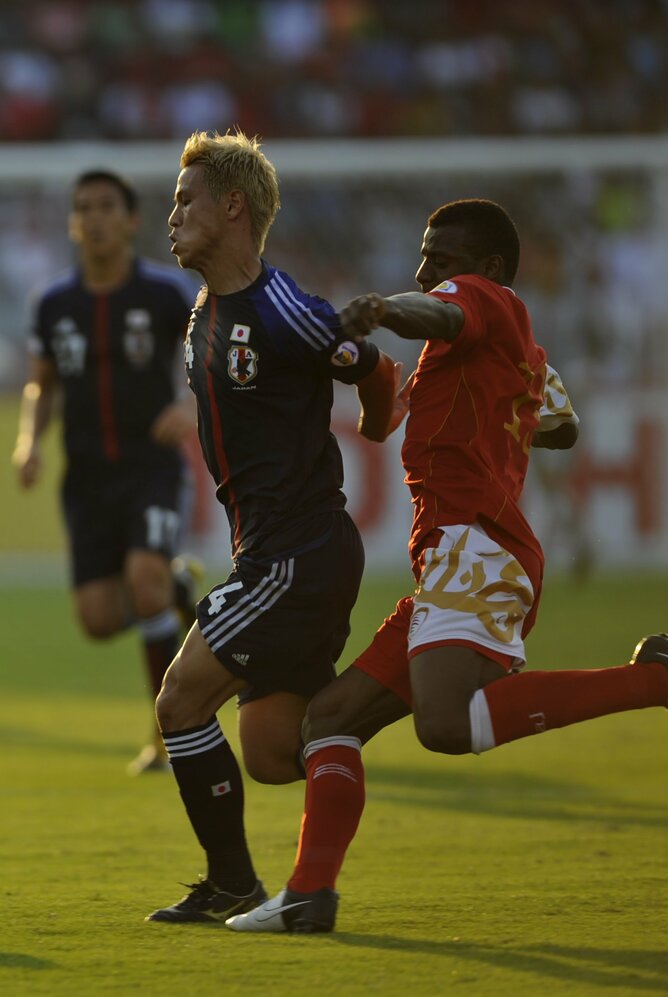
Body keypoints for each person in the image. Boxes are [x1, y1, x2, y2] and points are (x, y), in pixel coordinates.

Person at [227, 198, 668, 935]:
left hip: (477, 547)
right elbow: (564, 426)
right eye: (424, 257)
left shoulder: (484, 301)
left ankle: (652, 680)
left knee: (446, 722)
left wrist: (385, 309)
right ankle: (308, 894)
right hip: (453, 559)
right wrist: (500, 408)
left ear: (488, 269)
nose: (426, 270)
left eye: (442, 259)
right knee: (329, 720)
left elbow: (437, 311)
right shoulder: (512, 350)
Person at [144, 130, 404, 924]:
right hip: (274, 551)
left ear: (233, 207)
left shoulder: (281, 309)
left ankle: (232, 883)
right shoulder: (204, 312)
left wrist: (376, 419)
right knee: (273, 749)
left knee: (180, 700)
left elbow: (377, 369)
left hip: (298, 553)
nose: (172, 215)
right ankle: (395, 692)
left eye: (185, 200)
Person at [12, 168, 203, 777]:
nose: (93, 218)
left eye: (105, 207)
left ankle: (171, 734)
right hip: (87, 480)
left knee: (142, 582)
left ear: (130, 220)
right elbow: (41, 384)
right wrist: (29, 442)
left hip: (152, 468)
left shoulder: (168, 292)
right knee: (97, 620)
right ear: (73, 224)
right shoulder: (53, 303)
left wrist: (189, 403)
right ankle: (175, 590)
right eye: (83, 208)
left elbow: (214, 352)